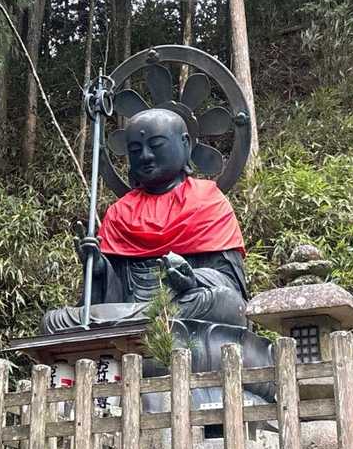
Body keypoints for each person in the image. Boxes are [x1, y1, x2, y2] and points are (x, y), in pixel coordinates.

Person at [41, 107, 248, 334]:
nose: (146, 156)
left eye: (156, 145)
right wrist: (100, 270)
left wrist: (193, 279)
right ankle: (142, 327)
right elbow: (112, 297)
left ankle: (139, 328)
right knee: (54, 321)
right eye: (135, 150)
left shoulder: (207, 200)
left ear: (185, 144)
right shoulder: (119, 212)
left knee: (224, 303)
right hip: (131, 311)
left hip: (184, 305)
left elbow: (231, 284)